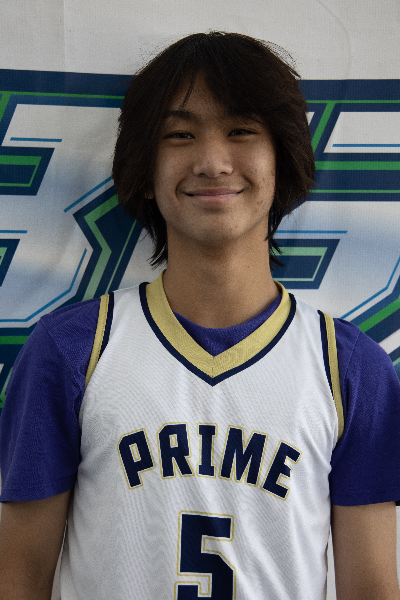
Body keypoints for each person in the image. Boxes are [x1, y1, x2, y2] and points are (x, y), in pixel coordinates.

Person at [0, 31, 399, 600]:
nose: (212, 163)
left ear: (282, 160)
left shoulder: (351, 368)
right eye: (180, 135)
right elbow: (17, 580)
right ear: (145, 169)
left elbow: (373, 589)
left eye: (242, 131)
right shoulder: (71, 350)